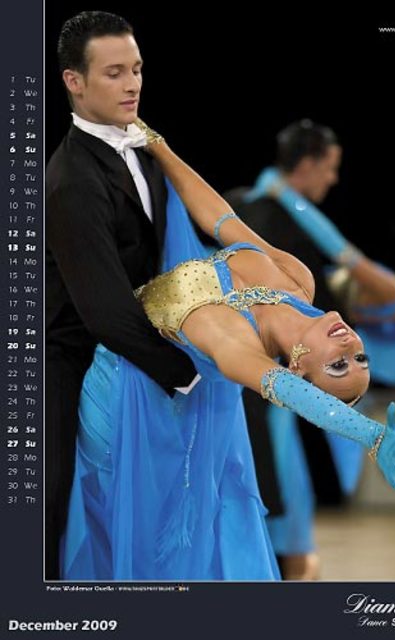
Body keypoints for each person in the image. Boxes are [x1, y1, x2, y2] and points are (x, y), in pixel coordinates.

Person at [60, 120, 395, 581]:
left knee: (128, 542)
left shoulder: (239, 344)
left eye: (338, 365)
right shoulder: (297, 281)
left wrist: (370, 434)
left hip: (125, 401)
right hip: (128, 356)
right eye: (360, 358)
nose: (350, 345)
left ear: (297, 365)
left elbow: (289, 392)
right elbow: (219, 217)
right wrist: (158, 145)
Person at [228, 119, 395, 579]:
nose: (333, 179)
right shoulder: (271, 221)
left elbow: (348, 258)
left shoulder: (386, 307)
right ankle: (286, 566)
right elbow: (348, 260)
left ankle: (287, 566)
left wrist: (276, 189)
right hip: (265, 367)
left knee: (276, 474)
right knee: (273, 475)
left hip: (275, 368)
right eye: (329, 168)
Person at [45, 11, 198, 580]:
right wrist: (189, 373)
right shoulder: (71, 179)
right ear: (74, 81)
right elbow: (105, 311)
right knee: (57, 511)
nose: (132, 84)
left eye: (136, 69)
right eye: (114, 73)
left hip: (130, 358)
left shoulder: (144, 148)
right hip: (67, 367)